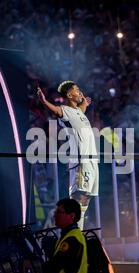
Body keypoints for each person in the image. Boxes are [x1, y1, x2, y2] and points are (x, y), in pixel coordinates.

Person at [37, 82, 98, 230]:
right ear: (70, 95)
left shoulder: (79, 112)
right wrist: (44, 102)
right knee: (76, 207)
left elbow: (81, 109)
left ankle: (79, 236)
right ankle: (73, 237)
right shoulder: (65, 111)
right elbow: (56, 110)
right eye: (77, 90)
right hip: (81, 163)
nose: (80, 92)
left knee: (83, 208)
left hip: (92, 163)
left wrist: (85, 103)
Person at [42, 198, 88, 273]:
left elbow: (53, 267)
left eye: (59, 212)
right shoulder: (69, 236)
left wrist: (45, 266)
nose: (55, 215)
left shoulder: (71, 239)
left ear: (71, 216)